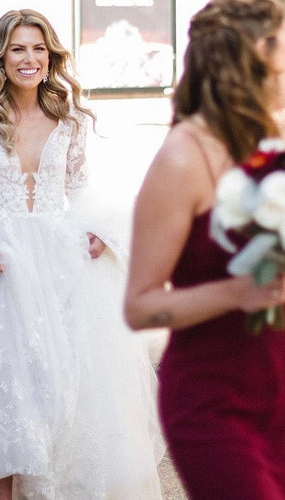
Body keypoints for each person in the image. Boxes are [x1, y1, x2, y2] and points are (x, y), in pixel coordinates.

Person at [0, 9, 164, 499]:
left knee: (63, 385)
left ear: (51, 57)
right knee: (4, 390)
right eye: (17, 49)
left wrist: (96, 233)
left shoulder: (68, 117)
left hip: (61, 260)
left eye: (38, 49)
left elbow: (78, 187)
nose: (29, 59)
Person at [124, 0, 285, 498]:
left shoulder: (271, 137)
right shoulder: (182, 158)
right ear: (259, 53)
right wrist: (237, 292)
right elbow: (139, 307)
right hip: (216, 402)